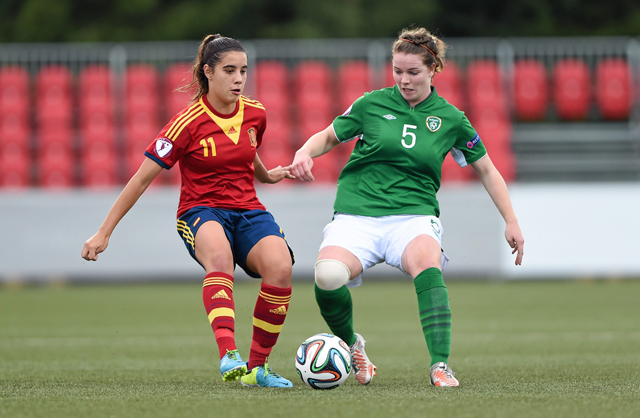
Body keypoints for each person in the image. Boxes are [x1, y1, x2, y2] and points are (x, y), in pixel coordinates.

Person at [290, 27, 524, 388]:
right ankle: (353, 346)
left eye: (413, 72)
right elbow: (327, 136)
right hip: (357, 214)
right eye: (397, 71)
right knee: (327, 277)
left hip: (413, 217)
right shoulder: (371, 104)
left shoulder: (451, 118)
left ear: (434, 69)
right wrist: (304, 152)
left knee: (428, 266)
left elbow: (488, 171)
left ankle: (440, 365)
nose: (403, 79)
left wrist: (511, 221)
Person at [81, 34, 296, 388]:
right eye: (229, 70)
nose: (239, 78)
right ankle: (230, 356)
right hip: (200, 210)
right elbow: (139, 180)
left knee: (281, 268)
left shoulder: (256, 113)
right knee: (220, 260)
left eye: (243, 70)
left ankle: (258, 369)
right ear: (208, 72)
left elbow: (247, 149)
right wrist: (104, 232)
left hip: (248, 209)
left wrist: (267, 175)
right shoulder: (187, 123)